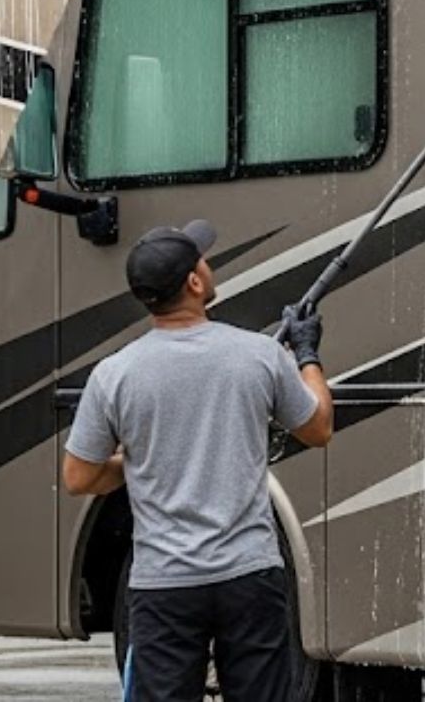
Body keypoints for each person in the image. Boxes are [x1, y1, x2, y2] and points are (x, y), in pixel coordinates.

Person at [63, 219, 335, 701]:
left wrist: (135, 464)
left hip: (163, 585)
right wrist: (306, 353)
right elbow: (318, 428)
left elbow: (78, 476)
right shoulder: (257, 355)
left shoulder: (114, 374)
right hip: (249, 576)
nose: (209, 266)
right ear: (193, 282)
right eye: (203, 261)